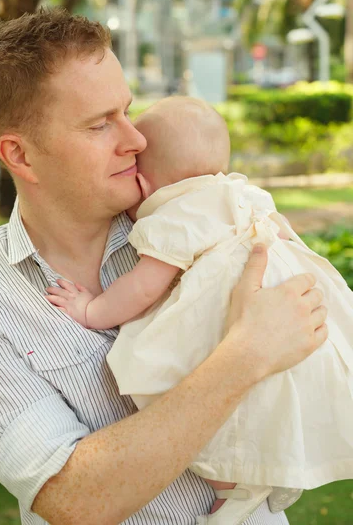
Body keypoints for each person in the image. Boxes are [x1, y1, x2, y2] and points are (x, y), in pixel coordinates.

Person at [0, 9, 327, 525]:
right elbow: (73, 497)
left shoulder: (201, 223)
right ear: (20, 154)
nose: (137, 140)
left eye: (128, 111)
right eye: (100, 124)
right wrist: (244, 355)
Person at [46, 96, 353, 524]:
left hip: (233, 316)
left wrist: (91, 310)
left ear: (148, 185)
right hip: (290, 302)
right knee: (269, 399)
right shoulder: (244, 193)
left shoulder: (179, 214)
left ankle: (234, 484)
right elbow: (286, 237)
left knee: (170, 379)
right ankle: (269, 474)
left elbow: (143, 288)